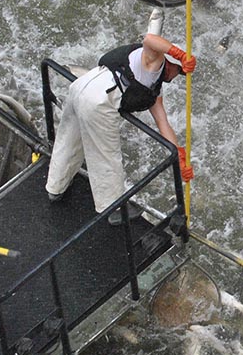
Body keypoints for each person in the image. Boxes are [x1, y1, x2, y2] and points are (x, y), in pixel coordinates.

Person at [45, 30, 197, 224]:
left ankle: (55, 188)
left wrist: (180, 157)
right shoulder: (152, 61)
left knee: (69, 141)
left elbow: (163, 123)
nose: (179, 75)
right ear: (170, 61)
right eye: (179, 70)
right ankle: (113, 207)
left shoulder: (153, 87)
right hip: (99, 101)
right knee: (107, 156)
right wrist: (181, 54)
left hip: (81, 87)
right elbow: (150, 39)